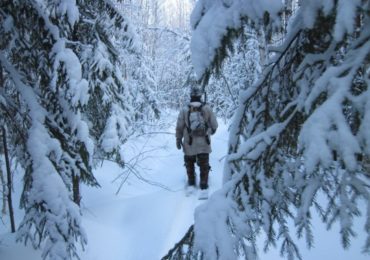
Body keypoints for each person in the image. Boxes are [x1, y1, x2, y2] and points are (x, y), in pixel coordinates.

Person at [176, 86, 218, 196]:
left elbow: (179, 127)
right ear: (200, 95)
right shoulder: (207, 108)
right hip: (204, 143)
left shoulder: (185, 109)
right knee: (204, 165)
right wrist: (209, 132)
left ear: (190, 95)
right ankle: (203, 184)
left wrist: (178, 139)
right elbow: (215, 125)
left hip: (189, 143)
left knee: (189, 163)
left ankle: (191, 182)